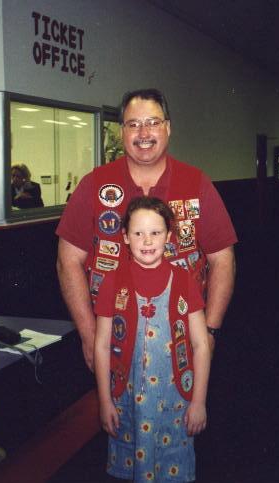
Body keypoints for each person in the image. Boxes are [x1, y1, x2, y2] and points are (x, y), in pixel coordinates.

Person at [56, 88, 237, 371]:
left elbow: (223, 259)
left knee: (184, 412)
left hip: (182, 339)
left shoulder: (196, 183)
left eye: (153, 122)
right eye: (133, 124)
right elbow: (68, 260)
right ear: (121, 132)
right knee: (113, 413)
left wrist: (210, 332)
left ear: (167, 127)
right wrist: (90, 336)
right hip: (113, 339)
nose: (144, 133)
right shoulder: (94, 184)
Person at [94, 196, 210, 482]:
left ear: (168, 236)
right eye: (138, 233)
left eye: (156, 232)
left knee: (171, 469)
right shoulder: (112, 281)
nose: (147, 241)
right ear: (125, 237)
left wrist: (199, 401)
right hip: (126, 399)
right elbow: (102, 345)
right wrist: (104, 401)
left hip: (175, 401)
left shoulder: (184, 281)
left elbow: (201, 345)